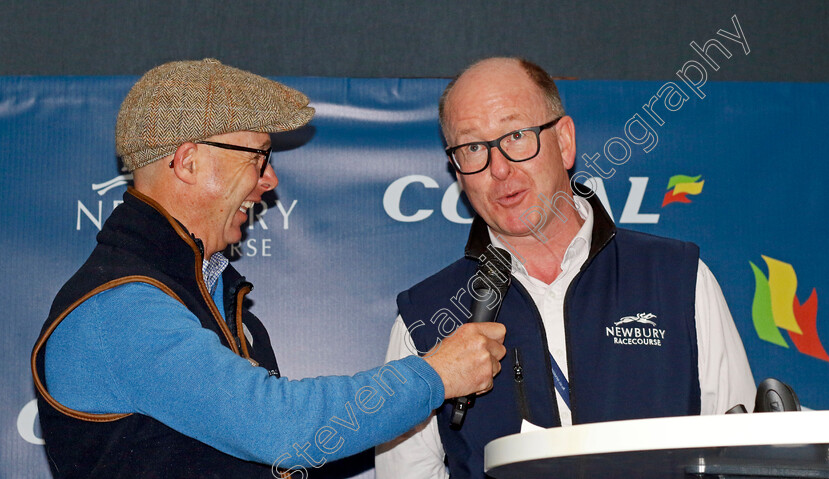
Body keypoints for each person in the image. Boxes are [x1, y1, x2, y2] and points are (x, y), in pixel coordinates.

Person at [31, 58, 506, 478]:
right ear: (189, 161)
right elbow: (282, 430)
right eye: (259, 158)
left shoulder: (219, 303)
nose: (270, 180)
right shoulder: (118, 310)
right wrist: (436, 374)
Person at [375, 57, 756, 479]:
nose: (498, 168)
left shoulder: (678, 279)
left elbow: (741, 459)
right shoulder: (425, 319)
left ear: (564, 141)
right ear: (457, 170)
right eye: (472, 148)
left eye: (516, 135)